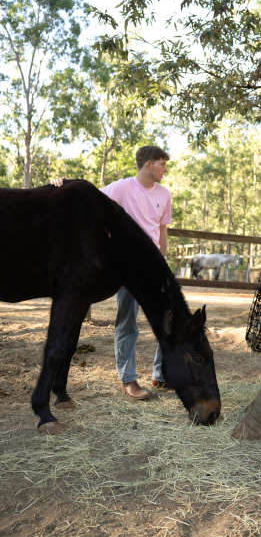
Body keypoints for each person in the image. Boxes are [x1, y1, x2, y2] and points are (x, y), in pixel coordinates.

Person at [53, 145, 171, 399]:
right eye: (162, 164)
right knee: (127, 322)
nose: (165, 169)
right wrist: (62, 184)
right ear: (148, 164)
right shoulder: (122, 188)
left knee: (168, 318)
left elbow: (161, 230)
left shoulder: (164, 193)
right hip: (128, 266)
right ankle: (128, 380)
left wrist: (162, 260)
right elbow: (89, 198)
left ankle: (161, 375)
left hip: (154, 267)